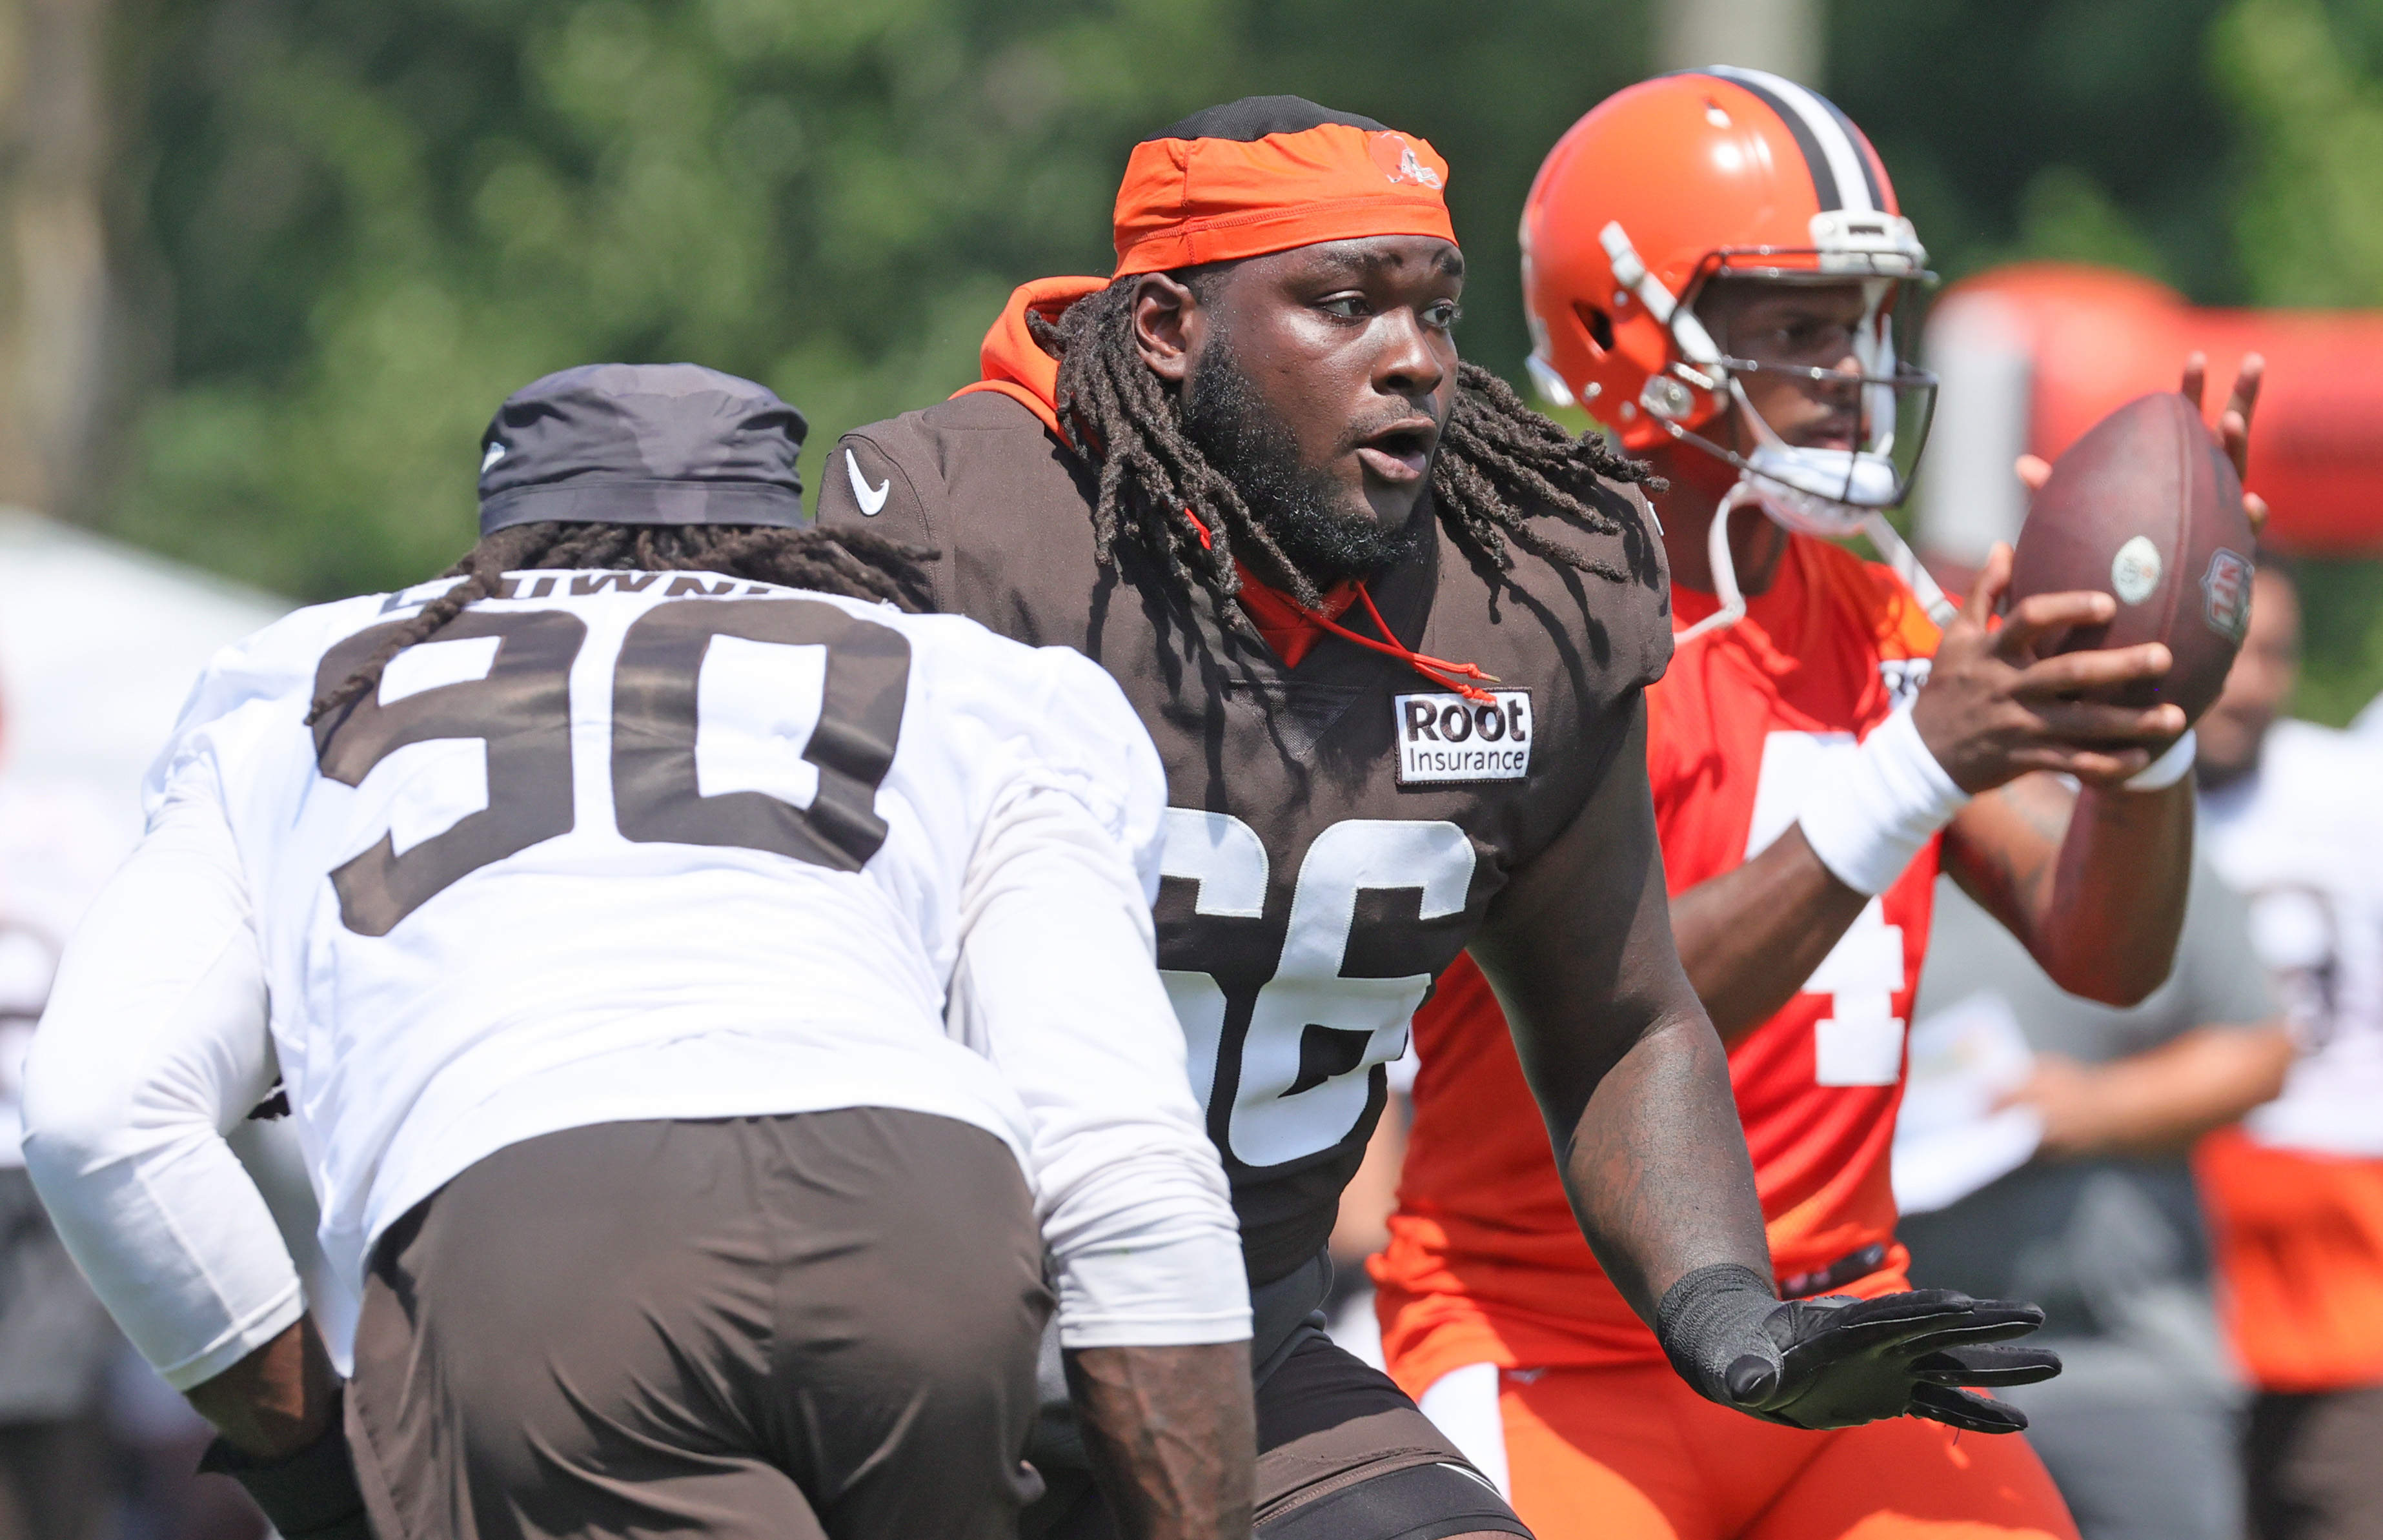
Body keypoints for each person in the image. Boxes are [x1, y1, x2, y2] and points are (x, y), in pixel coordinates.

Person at [817, 94, 2059, 1540]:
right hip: (917, 1349)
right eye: (1342, 304)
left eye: (1433, 308)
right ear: (1166, 327)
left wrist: (1726, 1300)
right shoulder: (971, 548)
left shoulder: (1524, 588)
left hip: (1248, 1345)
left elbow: (1623, 1016)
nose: (1410, 358)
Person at [19, 363, 1258, 1540]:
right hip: (931, 1234)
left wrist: (313, 1465)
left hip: (537, 1238)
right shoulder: (976, 686)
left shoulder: (296, 683)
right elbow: (1128, 1163)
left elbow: (100, 1119)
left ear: (499, 530)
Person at [1372, 67, 2256, 1540]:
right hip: (1558, 1347)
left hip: (1844, 1335)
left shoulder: (1872, 593)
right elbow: (1612, 1004)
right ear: (1629, 332)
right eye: (1797, 324)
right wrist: (1916, 768)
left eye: (1864, 319)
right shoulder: (1510, 608)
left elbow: (2098, 946)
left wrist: (2143, 729)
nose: (1851, 366)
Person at [1897, 857, 2291, 1540]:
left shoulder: (2136, 844)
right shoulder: (1856, 853)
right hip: (1905, 1365)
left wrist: (2094, 1106)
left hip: (2127, 1353)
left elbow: (2259, 1049)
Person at [2192, 558, 2383, 1540]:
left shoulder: (2351, 792)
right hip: (2162, 1269)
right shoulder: (2084, 799)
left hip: (2343, 1270)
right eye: (2229, 652)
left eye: (2275, 653)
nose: (2251, 680)